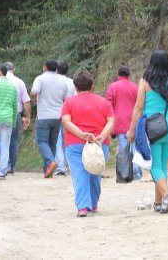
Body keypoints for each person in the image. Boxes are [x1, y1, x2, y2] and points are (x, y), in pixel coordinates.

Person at [126, 50, 168, 214]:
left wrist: (131, 129)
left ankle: (167, 195)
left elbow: (138, 107)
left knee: (154, 166)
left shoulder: (144, 83)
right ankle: (158, 202)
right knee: (162, 165)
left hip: (153, 127)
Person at [61, 70, 115, 217]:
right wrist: (102, 136)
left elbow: (66, 121)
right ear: (92, 86)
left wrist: (81, 135)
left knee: (80, 174)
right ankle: (93, 203)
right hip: (99, 143)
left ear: (75, 87)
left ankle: (83, 207)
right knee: (95, 172)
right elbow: (111, 120)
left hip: (75, 144)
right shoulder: (103, 102)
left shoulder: (69, 102)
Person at [31, 59, 71, 178]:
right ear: (56, 68)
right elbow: (66, 99)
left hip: (44, 116)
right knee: (52, 143)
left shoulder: (40, 78)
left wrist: (34, 99)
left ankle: (50, 162)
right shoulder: (62, 81)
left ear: (45, 67)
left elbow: (34, 92)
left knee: (42, 141)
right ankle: (47, 169)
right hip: (58, 116)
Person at [105, 64, 142, 180]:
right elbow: (140, 104)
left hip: (120, 122)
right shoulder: (136, 87)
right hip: (134, 121)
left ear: (118, 75)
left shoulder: (112, 87)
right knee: (135, 148)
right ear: (129, 75)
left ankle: (129, 173)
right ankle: (136, 173)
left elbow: (108, 104)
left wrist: (108, 121)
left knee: (124, 149)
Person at [4, 62, 31, 175]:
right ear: (13, 70)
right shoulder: (20, 82)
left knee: (2, 140)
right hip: (16, 115)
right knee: (13, 141)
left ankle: (4, 164)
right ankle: (11, 166)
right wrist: (28, 117)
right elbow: (26, 101)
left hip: (1, 114)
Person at [54, 61, 74, 176]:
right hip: (70, 113)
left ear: (57, 70)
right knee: (67, 139)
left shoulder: (54, 82)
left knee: (57, 140)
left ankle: (61, 166)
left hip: (56, 113)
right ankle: (69, 164)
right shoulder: (71, 82)